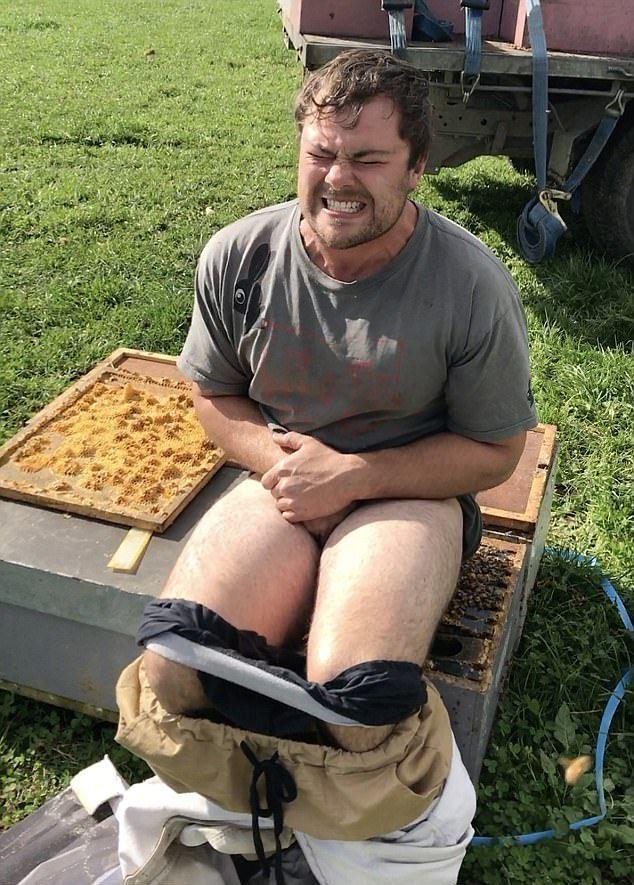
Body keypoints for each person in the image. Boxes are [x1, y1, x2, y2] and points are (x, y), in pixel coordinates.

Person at [116, 48, 538, 883]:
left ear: (417, 166)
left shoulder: (468, 283)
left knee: (354, 702)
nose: (338, 178)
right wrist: (279, 462)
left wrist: (353, 478)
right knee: (175, 669)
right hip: (285, 476)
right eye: (321, 154)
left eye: (368, 158)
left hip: (408, 491)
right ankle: (258, 804)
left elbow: (496, 452)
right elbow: (212, 397)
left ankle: (377, 820)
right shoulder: (240, 257)